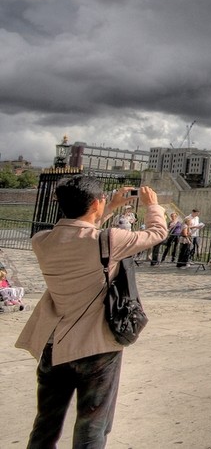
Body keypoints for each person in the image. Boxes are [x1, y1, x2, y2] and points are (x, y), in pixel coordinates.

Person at [16, 178, 167, 448]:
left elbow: (81, 230)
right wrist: (152, 206)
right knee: (92, 427)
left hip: (54, 344)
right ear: (96, 203)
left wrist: (107, 207)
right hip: (96, 346)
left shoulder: (42, 241)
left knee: (45, 424)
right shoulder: (109, 239)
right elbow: (157, 233)